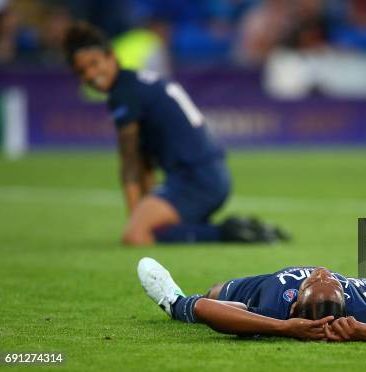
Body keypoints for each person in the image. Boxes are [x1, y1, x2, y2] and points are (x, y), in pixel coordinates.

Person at [62, 22, 286, 246]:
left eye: (94, 64)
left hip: (194, 180)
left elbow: (130, 162)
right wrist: (147, 208)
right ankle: (237, 230)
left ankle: (228, 232)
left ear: (111, 56)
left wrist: (135, 219)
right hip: (211, 175)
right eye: (82, 71)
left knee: (136, 236)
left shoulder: (123, 94)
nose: (91, 74)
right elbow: (144, 160)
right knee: (158, 230)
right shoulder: (140, 80)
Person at [137, 257, 366, 341]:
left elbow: (205, 308)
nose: (322, 271)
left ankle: (172, 299)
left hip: (260, 286)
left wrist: (280, 327)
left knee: (212, 293)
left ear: (296, 303)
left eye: (320, 280)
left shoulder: (271, 307)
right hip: (361, 295)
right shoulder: (358, 312)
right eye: (323, 279)